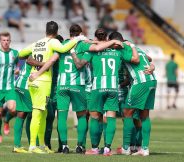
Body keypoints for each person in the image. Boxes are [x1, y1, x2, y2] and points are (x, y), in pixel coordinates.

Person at [29, 24, 121, 154]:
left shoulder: (62, 45)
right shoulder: (83, 45)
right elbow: (98, 47)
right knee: (82, 116)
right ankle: (80, 146)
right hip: (78, 86)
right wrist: (112, 41)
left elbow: (51, 61)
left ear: (69, 33)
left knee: (62, 116)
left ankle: (65, 146)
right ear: (81, 33)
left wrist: (37, 74)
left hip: (62, 86)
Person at [70, 28, 139, 156]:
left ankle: (95, 149)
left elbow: (79, 65)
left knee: (95, 117)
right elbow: (135, 59)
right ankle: (107, 149)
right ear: (107, 37)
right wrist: (130, 45)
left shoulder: (92, 50)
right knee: (111, 117)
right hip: (113, 87)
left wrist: (73, 53)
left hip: (97, 88)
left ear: (96, 38)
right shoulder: (118, 50)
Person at [18, 21, 83, 154]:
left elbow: (21, 53)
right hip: (43, 81)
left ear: (45, 31)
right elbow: (64, 49)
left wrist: (33, 59)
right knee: (37, 113)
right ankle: (32, 146)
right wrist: (79, 38)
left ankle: (42, 145)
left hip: (33, 80)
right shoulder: (53, 42)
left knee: (43, 113)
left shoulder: (37, 43)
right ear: (56, 32)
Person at [119, 41, 157, 157]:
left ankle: (126, 148)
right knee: (144, 115)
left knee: (127, 112)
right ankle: (144, 149)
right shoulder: (138, 49)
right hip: (152, 80)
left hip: (141, 82)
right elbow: (149, 59)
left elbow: (136, 60)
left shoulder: (123, 50)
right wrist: (152, 66)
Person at [12, 56, 44, 153]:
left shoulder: (33, 50)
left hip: (19, 84)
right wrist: (46, 64)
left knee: (21, 114)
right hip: (25, 86)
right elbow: (30, 60)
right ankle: (34, 145)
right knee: (34, 114)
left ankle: (17, 146)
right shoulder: (38, 52)